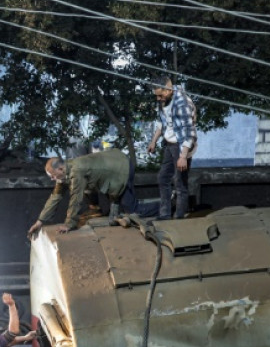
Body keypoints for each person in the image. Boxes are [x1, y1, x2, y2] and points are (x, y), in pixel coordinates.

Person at [27, 148, 158, 237]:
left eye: (53, 176)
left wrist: (69, 224)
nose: (52, 179)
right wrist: (40, 221)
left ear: (60, 168)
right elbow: (55, 197)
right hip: (108, 171)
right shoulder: (65, 172)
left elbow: (76, 200)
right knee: (89, 190)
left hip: (121, 167)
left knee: (133, 210)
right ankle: (100, 209)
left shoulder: (76, 172)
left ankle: (167, 205)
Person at [147, 76, 198, 220]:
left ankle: (179, 217)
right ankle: (165, 214)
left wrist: (183, 156)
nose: (158, 98)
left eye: (160, 95)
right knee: (163, 178)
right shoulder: (164, 101)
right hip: (169, 144)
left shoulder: (182, 103)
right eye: (156, 96)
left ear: (168, 89)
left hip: (181, 145)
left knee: (180, 182)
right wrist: (153, 141)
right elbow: (162, 122)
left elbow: (190, 132)